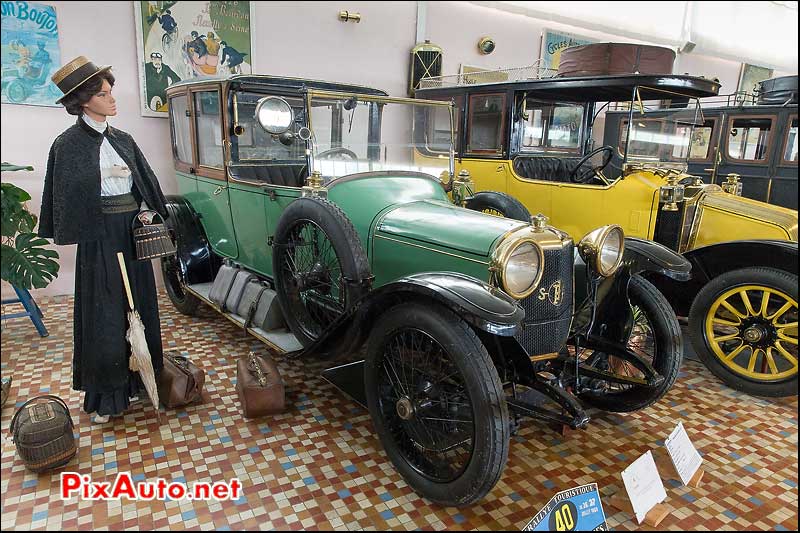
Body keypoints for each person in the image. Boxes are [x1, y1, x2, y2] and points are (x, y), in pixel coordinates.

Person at [39, 56, 168, 424]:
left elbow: (143, 182)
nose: (112, 100)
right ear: (82, 101)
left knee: (140, 303)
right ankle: (109, 394)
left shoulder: (123, 140)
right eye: (103, 94)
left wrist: (145, 209)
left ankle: (140, 379)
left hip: (131, 231)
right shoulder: (67, 145)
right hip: (98, 237)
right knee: (104, 313)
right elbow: (68, 195)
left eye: (111, 91)